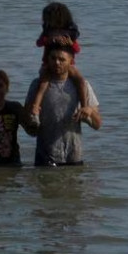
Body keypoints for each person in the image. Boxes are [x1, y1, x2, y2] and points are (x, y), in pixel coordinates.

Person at [25, 37, 101, 166]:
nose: (57, 63)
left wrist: (89, 111)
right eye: (53, 58)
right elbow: (29, 129)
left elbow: (97, 125)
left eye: (62, 59)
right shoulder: (37, 85)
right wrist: (32, 120)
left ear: (71, 61)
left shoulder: (82, 85)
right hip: (45, 158)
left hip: (74, 157)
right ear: (47, 60)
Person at [28, 1, 85, 118]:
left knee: (80, 80)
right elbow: (38, 43)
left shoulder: (70, 33)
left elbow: (77, 49)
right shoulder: (48, 33)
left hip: (69, 65)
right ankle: (36, 107)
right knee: (43, 82)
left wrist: (70, 43)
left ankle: (84, 106)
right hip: (48, 64)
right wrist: (47, 40)